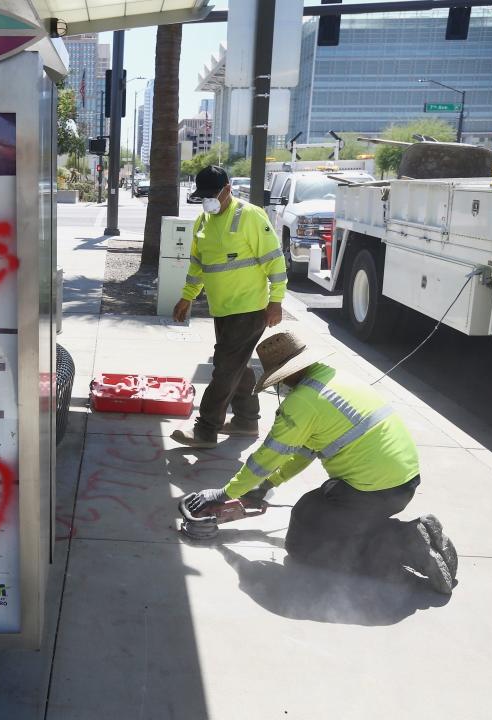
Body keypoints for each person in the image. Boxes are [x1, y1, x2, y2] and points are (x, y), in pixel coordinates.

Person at [180, 332, 458, 595]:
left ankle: (407, 542)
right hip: (402, 481)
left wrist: (226, 493)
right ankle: (406, 534)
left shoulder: (302, 403)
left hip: (373, 490)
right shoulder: (335, 379)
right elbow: (304, 452)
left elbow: (266, 457)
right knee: (308, 512)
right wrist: (269, 484)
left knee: (306, 545)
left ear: (284, 375)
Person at [171, 165, 286, 449]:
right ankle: (246, 421)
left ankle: (206, 430)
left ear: (227, 189)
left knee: (224, 368)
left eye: (212, 195)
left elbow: (274, 259)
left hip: (249, 309)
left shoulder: (249, 216)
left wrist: (276, 300)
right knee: (236, 365)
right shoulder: (202, 222)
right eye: (203, 196)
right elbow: (198, 264)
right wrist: (187, 296)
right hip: (221, 309)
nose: (207, 200)